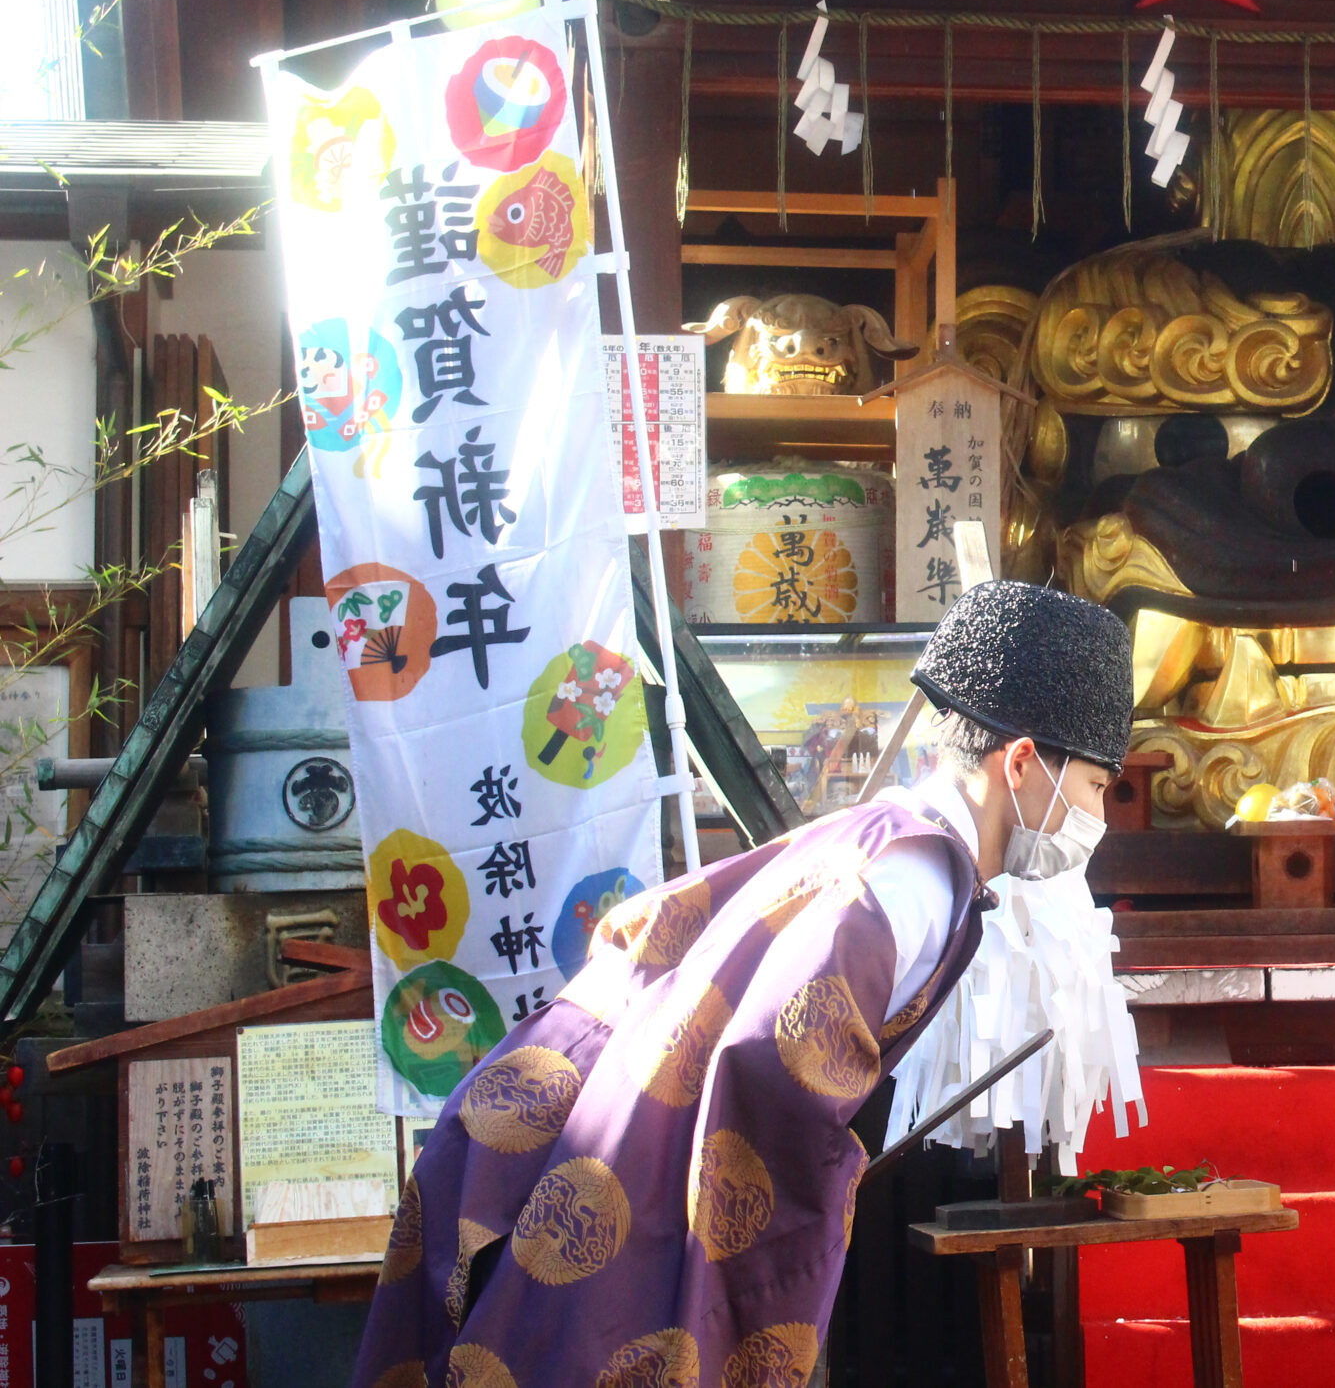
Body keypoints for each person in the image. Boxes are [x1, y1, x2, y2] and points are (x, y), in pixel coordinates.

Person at [350, 580, 1132, 1388]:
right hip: (649, 1171)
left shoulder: (876, 832)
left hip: (593, 1114)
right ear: (1024, 761)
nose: (1096, 813)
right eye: (1097, 786)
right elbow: (777, 1054)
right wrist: (837, 1168)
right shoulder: (919, 881)